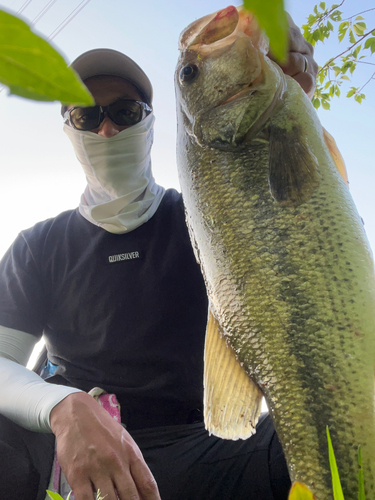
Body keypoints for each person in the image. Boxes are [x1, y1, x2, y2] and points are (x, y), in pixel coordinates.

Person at [0, 14, 318, 500]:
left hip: (200, 447)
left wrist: (281, 108)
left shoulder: (206, 216)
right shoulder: (37, 245)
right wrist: (62, 408)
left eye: (124, 112)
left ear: (150, 122)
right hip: (63, 449)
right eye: (86, 115)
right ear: (69, 129)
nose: (106, 130)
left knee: (340, 430)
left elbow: (280, 219)